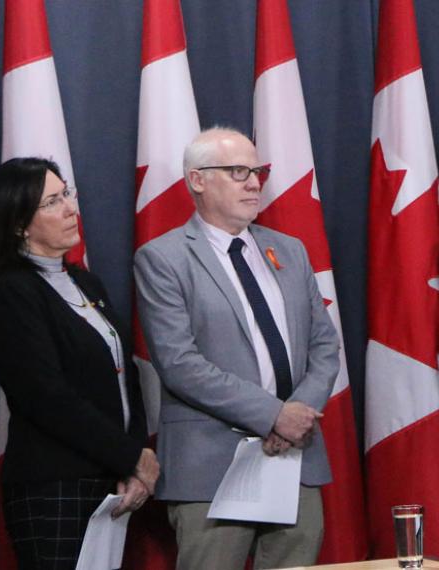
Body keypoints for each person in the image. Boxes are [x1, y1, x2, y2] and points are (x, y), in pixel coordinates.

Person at [134, 127, 339, 570]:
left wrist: (298, 412)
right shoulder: (163, 258)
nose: (254, 182)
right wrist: (273, 415)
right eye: (238, 171)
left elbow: (324, 344)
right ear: (198, 180)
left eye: (257, 171)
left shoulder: (290, 250)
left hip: (294, 459)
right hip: (212, 466)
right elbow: (179, 364)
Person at [0, 157, 158, 570]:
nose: (69, 208)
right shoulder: (11, 290)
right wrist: (130, 457)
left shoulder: (86, 282)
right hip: (53, 485)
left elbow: (125, 376)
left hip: (109, 479)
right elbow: (44, 395)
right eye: (51, 202)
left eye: (67, 194)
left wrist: (134, 456)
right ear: (18, 224)